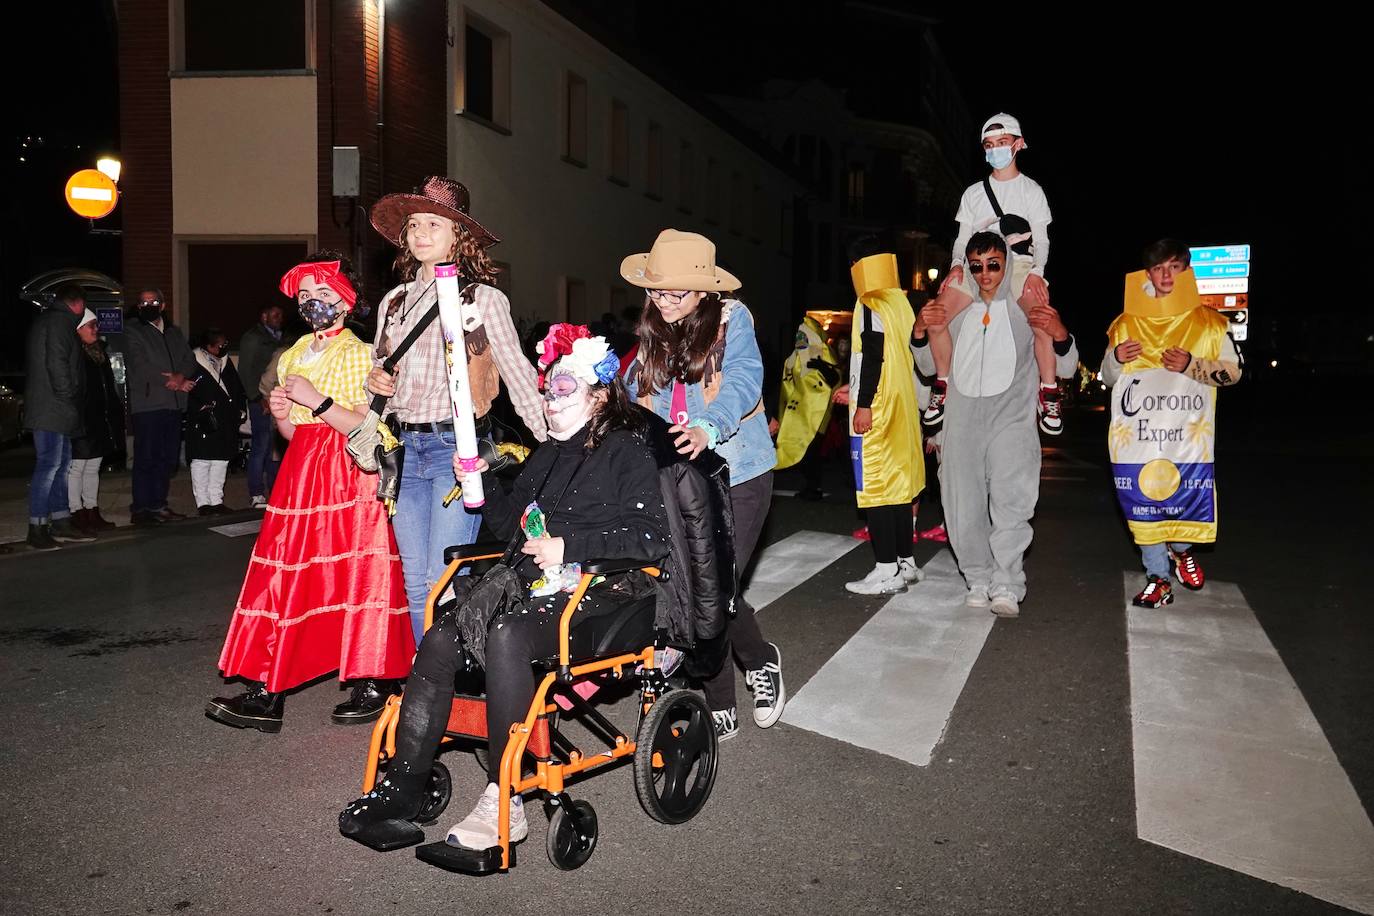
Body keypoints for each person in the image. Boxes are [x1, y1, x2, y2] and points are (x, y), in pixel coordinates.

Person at [339, 327, 685, 853]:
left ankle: (505, 799)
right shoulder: (546, 455)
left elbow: (650, 537)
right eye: (547, 389)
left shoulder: (626, 451)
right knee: (440, 638)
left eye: (563, 387)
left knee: (506, 634)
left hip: (610, 589)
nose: (550, 399)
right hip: (538, 583)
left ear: (598, 394)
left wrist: (569, 546)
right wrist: (481, 485)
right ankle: (403, 787)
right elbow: (512, 529)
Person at [208, 254, 414, 732]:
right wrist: (282, 409)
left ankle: (372, 679)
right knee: (285, 575)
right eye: (304, 297)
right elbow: (289, 431)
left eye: (322, 295)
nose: (312, 304)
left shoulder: (362, 352)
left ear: (345, 301)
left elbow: (368, 424)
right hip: (301, 467)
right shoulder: (296, 350)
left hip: (348, 470)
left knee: (358, 570)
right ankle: (267, 688)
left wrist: (314, 400)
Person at [367, 176, 548, 646]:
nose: (420, 233)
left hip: (456, 450)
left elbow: (519, 374)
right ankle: (420, 682)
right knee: (412, 581)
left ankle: (439, 680)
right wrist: (377, 381)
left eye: (433, 223)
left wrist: (556, 443)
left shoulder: (484, 300)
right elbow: (380, 370)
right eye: (413, 225)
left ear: (457, 236)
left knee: (438, 576)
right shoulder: (395, 302)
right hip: (404, 450)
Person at [622, 228, 785, 741]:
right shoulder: (655, 329)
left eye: (677, 292)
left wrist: (708, 426)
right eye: (657, 291)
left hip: (738, 469)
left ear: (705, 291)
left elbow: (742, 378)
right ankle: (718, 696)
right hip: (679, 477)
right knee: (694, 585)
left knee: (719, 584)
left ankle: (759, 660)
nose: (664, 302)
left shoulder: (732, 321)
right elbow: (632, 390)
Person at [914, 232, 1079, 618]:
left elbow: (1065, 365)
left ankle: (1007, 580)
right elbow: (926, 366)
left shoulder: (1025, 306)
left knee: (1011, 500)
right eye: (976, 266)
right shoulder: (955, 309)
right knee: (961, 504)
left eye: (993, 265)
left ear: (1006, 266)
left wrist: (1060, 334)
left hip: (1012, 418)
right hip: (961, 419)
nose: (985, 274)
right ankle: (977, 577)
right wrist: (921, 330)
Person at [1102, 240, 1242, 608]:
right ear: (1146, 274)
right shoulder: (1126, 324)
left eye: (1174, 267)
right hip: (1138, 437)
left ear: (1186, 272)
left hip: (1185, 438)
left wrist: (1192, 365)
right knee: (1140, 505)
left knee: (1182, 502)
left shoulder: (1210, 325)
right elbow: (1108, 376)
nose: (1166, 276)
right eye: (1158, 268)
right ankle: (1157, 578)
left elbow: (1233, 374)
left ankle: (1181, 550)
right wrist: (1116, 358)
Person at [924, 113, 1064, 436]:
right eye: (989, 145)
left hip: (1018, 264)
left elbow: (1042, 240)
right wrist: (957, 264)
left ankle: (1049, 391)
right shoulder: (973, 193)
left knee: (1042, 318)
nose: (996, 150)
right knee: (936, 316)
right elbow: (962, 237)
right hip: (978, 263)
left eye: (1002, 143)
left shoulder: (1032, 191)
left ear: (1017, 144)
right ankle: (942, 385)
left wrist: (1038, 273)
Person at [842, 243, 924, 594]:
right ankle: (906, 563)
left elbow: (872, 352)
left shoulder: (869, 301)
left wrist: (863, 403)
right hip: (902, 406)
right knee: (899, 489)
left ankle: (886, 569)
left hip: (879, 408)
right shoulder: (900, 302)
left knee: (875, 487)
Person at [23, 284, 92, 549]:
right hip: (52, 408)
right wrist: (69, 396)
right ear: (77, 304)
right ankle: (37, 527)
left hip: (54, 408)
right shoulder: (59, 323)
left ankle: (61, 521)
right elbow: (57, 363)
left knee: (60, 467)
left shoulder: (51, 321)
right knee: (49, 466)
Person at [122, 288, 198, 525]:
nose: (148, 306)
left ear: (163, 305)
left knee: (167, 458)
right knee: (146, 457)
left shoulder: (174, 333)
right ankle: (141, 508)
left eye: (153, 302)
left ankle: (159, 504)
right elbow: (139, 365)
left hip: (173, 406)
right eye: (143, 302)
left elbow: (189, 360)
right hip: (148, 404)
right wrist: (174, 381)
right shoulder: (133, 331)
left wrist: (181, 375)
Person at [771, 315, 841, 501]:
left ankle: (813, 487)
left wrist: (820, 366)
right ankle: (810, 485)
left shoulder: (822, 354)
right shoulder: (794, 358)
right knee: (803, 450)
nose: (800, 339)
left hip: (816, 414)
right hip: (798, 412)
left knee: (811, 451)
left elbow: (835, 378)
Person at [68, 309, 124, 534]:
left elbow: (108, 387)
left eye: (95, 325)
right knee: (77, 467)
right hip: (82, 418)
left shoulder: (98, 352)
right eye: (90, 325)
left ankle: (91, 509)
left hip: (101, 418)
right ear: (78, 330)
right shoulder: (75, 354)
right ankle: (76, 511)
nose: (95, 329)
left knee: (93, 467)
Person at [186, 328, 247, 515]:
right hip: (204, 419)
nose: (223, 348)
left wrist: (240, 408)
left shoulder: (225, 362)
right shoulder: (192, 361)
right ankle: (203, 502)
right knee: (202, 461)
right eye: (219, 345)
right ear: (208, 346)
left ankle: (216, 500)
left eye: (225, 344)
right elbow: (188, 389)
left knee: (221, 461)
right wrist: (199, 407)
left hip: (225, 419)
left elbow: (237, 388)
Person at [238, 304, 285, 508]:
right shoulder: (253, 337)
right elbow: (246, 370)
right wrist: (257, 398)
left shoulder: (280, 337)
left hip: (276, 399)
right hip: (260, 399)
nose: (278, 318)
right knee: (260, 446)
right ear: (264, 316)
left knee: (274, 447)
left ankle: (274, 491)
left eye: (280, 315)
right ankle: (256, 492)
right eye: (274, 314)